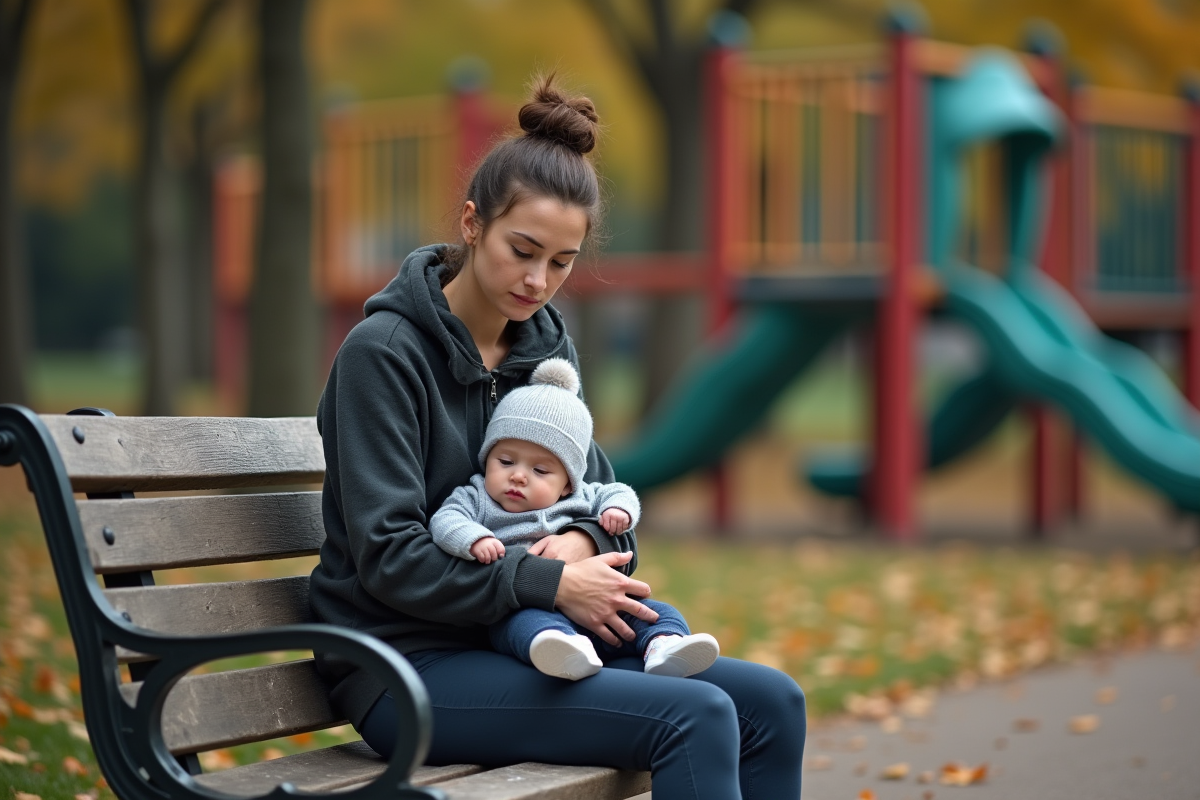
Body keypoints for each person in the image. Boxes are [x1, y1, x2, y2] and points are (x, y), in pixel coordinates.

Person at [309, 74, 806, 799]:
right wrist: (550, 579)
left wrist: (582, 545)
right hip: (404, 663)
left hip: (531, 640)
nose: (538, 281)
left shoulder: (544, 351)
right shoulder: (382, 355)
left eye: (562, 262)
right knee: (693, 715)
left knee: (772, 703)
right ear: (473, 223)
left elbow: (600, 499)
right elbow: (389, 559)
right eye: (523, 249)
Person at [430, 356, 720, 681]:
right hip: (525, 605)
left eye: (540, 470)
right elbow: (446, 519)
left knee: (654, 611)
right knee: (521, 626)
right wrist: (474, 538)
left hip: (598, 605)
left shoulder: (581, 496)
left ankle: (664, 645)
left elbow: (618, 492)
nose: (519, 477)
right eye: (506, 461)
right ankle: (563, 650)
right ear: (488, 458)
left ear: (568, 482)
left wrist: (617, 512)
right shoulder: (477, 496)